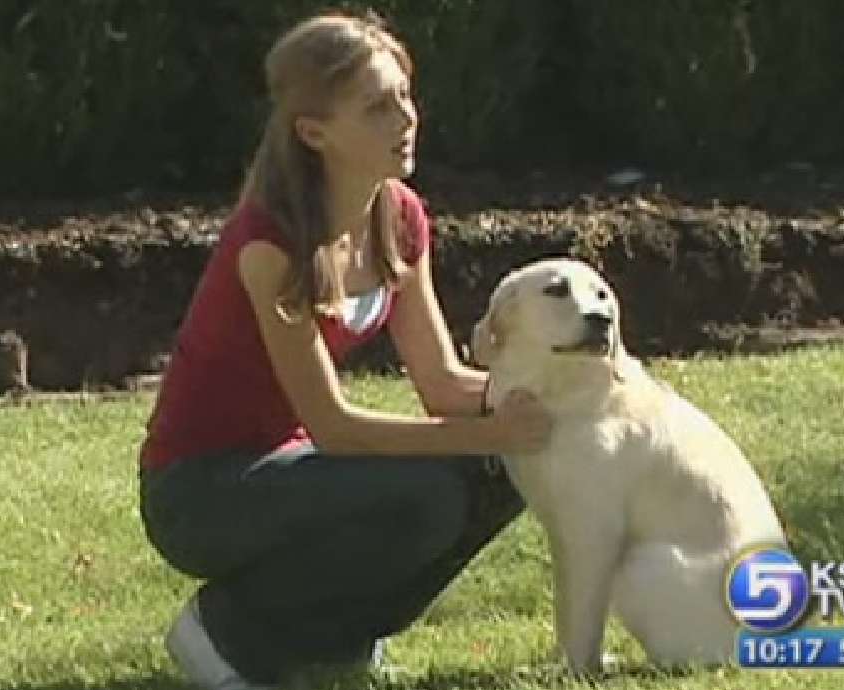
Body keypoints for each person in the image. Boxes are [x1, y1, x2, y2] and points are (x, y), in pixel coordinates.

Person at [136, 10, 552, 690]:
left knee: (505, 470)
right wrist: (490, 430)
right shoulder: (270, 245)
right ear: (314, 132)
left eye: (405, 97)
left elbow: (445, 382)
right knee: (428, 495)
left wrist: (552, 394)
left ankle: (344, 637)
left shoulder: (402, 217)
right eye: (378, 108)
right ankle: (226, 629)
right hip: (198, 492)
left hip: (288, 467)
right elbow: (334, 426)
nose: (406, 119)